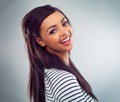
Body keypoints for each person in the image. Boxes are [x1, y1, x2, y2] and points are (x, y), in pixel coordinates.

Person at [21, 5, 97, 102]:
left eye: (64, 23)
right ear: (40, 41)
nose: (64, 32)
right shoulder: (65, 80)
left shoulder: (50, 73)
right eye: (53, 31)